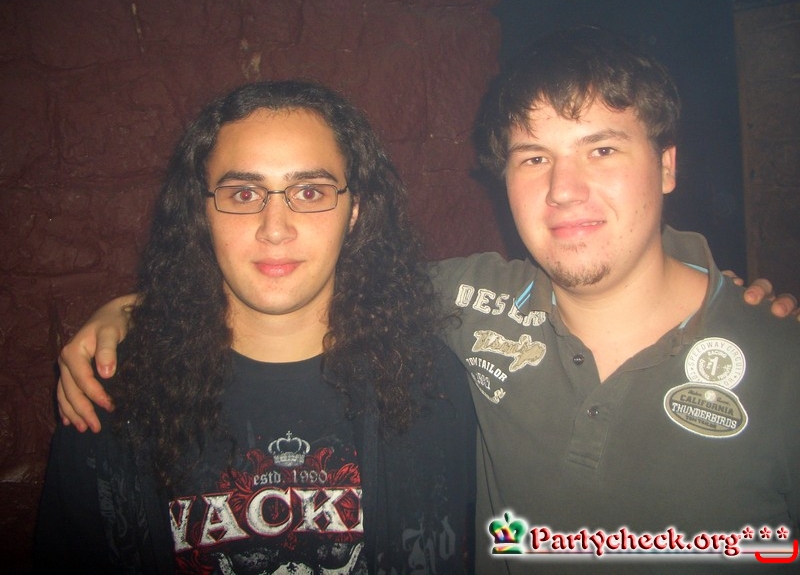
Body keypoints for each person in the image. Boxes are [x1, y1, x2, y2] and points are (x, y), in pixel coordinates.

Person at [55, 28, 800, 573]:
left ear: (667, 165)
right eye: (533, 157)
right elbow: (298, 272)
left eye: (602, 149)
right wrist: (133, 314)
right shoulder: (469, 304)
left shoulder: (782, 360)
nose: (564, 189)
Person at [34, 80, 476, 574]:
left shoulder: (427, 384)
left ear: (355, 211)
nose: (275, 228)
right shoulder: (112, 396)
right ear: (201, 212)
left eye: (310, 192)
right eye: (244, 194)